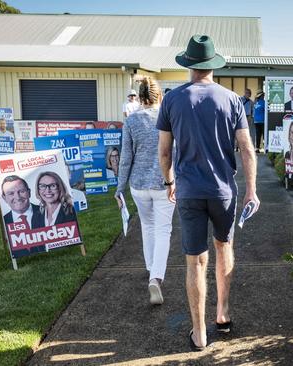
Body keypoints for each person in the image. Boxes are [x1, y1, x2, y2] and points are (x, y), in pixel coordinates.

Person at [157, 34, 259, 351]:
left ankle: (199, 333)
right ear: (213, 65)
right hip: (223, 191)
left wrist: (169, 182)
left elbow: (163, 152)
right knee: (223, 249)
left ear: (189, 64)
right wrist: (252, 190)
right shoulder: (232, 100)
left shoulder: (172, 99)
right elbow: (247, 149)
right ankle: (223, 314)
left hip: (188, 191)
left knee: (195, 262)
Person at [115, 76, 175, 306]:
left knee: (147, 225)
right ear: (160, 95)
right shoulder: (169, 118)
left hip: (138, 185)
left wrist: (119, 188)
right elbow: (173, 153)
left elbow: (125, 159)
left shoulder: (131, 121)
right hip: (164, 183)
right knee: (163, 230)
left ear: (140, 98)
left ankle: (150, 266)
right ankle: (155, 277)